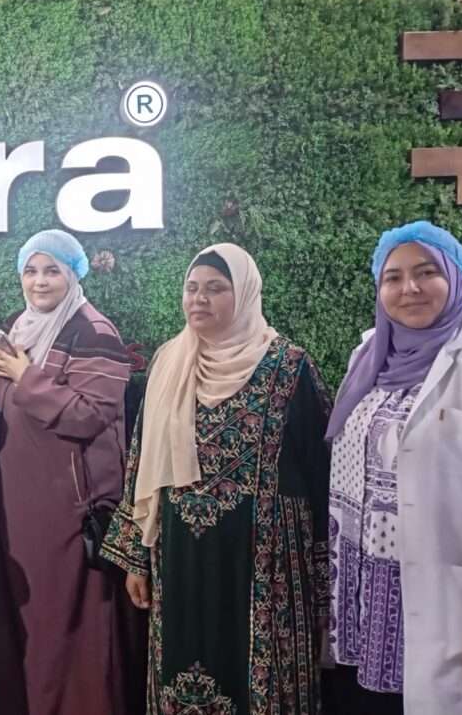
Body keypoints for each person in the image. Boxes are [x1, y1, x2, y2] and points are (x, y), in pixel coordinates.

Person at [101, 243, 331, 714]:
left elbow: (320, 469)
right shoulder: (170, 361)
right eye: (191, 288)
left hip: (265, 564)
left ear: (244, 294)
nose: (199, 299)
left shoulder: (289, 365)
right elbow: (142, 461)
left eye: (215, 288)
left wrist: (325, 579)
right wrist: (137, 559)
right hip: (180, 556)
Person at [325, 221, 462, 714]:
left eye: (427, 272)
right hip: (365, 605)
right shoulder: (369, 356)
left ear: (456, 276)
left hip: (452, 609)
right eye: (393, 277)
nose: (410, 288)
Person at [0, 229, 132, 715]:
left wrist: (24, 376)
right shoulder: (20, 328)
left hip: (70, 512)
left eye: (52, 271)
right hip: (20, 509)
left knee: (71, 633)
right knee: (30, 629)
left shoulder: (95, 332)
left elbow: (91, 414)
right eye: (30, 271)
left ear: (73, 274)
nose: (39, 282)